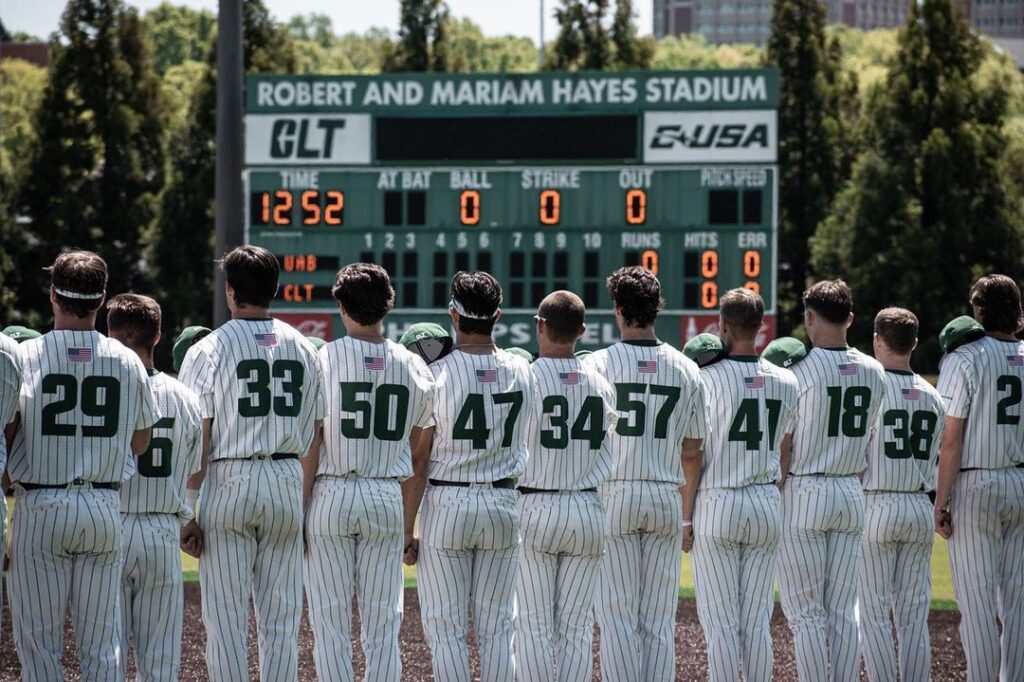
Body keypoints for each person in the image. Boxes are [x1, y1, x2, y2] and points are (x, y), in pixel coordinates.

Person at [8, 251, 159, 681]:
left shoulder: (26, 355)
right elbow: (142, 439)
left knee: (39, 647)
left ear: (53, 294)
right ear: (102, 298)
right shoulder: (127, 360)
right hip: (102, 505)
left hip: (41, 503)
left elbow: (10, 431)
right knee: (102, 646)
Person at [178, 245, 324, 682]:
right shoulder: (305, 348)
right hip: (284, 477)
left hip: (230, 479)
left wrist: (187, 507)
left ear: (230, 290)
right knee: (281, 621)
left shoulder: (207, 349)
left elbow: (196, 436)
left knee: (225, 619)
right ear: (275, 289)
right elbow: (315, 432)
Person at [304, 263, 435, 682]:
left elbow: (313, 441)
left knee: (330, 621)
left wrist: (303, 506)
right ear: (387, 304)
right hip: (384, 493)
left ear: (341, 304)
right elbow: (418, 447)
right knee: (382, 624)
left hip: (332, 491)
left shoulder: (322, 359)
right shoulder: (413, 365)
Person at [404, 271, 533, 682]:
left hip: (449, 503)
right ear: (497, 315)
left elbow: (419, 461)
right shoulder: (522, 370)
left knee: (447, 630)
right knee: (498, 629)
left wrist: (408, 527)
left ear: (453, 316)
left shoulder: (434, 374)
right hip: (503, 501)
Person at [584, 266, 707, 681]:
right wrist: (687, 514)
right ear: (658, 308)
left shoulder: (598, 364)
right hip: (664, 494)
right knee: (658, 618)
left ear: (618, 309)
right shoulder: (686, 367)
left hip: (613, 492)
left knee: (617, 615)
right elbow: (692, 450)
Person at [682, 288, 798, 682]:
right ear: (761, 326)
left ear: (722, 325)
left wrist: (685, 517)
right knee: (756, 621)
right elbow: (785, 449)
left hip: (719, 500)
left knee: (721, 623)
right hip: (766, 498)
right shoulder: (787, 381)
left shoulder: (705, 378)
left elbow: (693, 452)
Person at [775, 279, 885, 682]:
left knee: (806, 613)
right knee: (843, 608)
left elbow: (784, 443)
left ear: (808, 317)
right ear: (851, 318)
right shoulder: (876, 371)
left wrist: (780, 486)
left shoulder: (797, 371)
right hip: (850, 489)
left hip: (805, 488)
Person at [515, 291, 618, 682]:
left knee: (533, 626)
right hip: (587, 507)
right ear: (582, 331)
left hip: (535, 505)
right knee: (575, 629)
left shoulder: (524, 377)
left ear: (539, 326)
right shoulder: (602, 383)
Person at [107, 294, 203, 681]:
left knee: (104, 651)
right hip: (162, 530)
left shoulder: (104, 387)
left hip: (108, 525)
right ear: (159, 335)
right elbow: (195, 468)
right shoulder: (186, 398)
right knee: (160, 658)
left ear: (110, 334)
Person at [934, 274, 1024, 682]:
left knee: (977, 603)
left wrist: (941, 501)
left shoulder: (965, 357)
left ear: (979, 310)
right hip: (1020, 483)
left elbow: (951, 441)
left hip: (976, 485)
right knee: (1018, 603)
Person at [857, 308, 945, 682]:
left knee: (874, 614)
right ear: (914, 342)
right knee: (913, 616)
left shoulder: (871, 386)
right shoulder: (933, 394)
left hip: (877, 502)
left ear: (878, 339)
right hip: (918, 504)